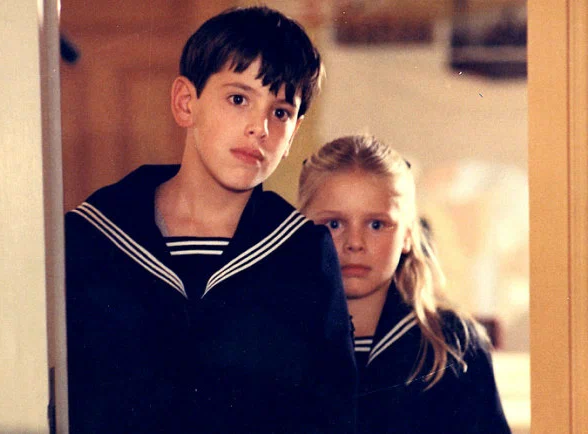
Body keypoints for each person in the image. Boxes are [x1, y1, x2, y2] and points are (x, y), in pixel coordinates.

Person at [65, 7, 356, 433]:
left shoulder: (304, 253)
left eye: (280, 112)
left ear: (294, 134)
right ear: (186, 103)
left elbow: (333, 415)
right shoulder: (91, 237)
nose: (260, 128)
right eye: (239, 99)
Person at [298, 135, 511, 434]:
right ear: (300, 228)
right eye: (334, 224)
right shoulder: (272, 338)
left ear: (408, 235)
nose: (355, 243)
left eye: (376, 224)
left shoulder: (454, 344)